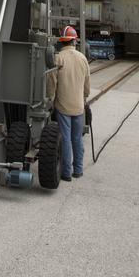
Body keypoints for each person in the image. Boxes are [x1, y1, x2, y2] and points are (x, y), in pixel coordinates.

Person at [53, 25, 91, 179]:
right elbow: (87, 84)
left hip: (63, 106)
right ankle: (78, 170)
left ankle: (66, 173)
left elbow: (51, 83)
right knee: (77, 138)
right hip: (78, 106)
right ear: (74, 41)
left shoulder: (58, 58)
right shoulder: (82, 58)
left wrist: (50, 99)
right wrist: (84, 97)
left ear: (62, 42)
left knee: (66, 139)